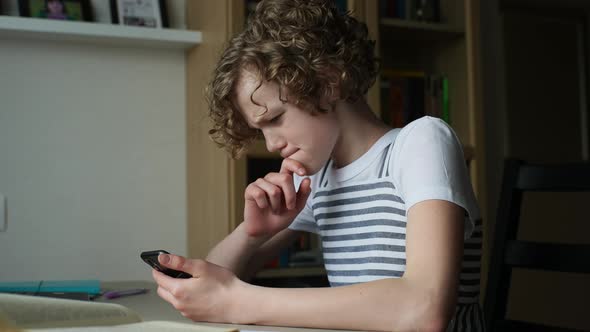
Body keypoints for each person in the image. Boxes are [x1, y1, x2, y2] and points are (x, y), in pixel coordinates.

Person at [151, 0, 485, 331]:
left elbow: (424, 309)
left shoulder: (420, 143)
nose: (271, 145)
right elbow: (204, 290)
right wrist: (252, 234)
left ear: (328, 82)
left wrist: (239, 301)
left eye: (276, 118)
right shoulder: (320, 178)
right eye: (261, 131)